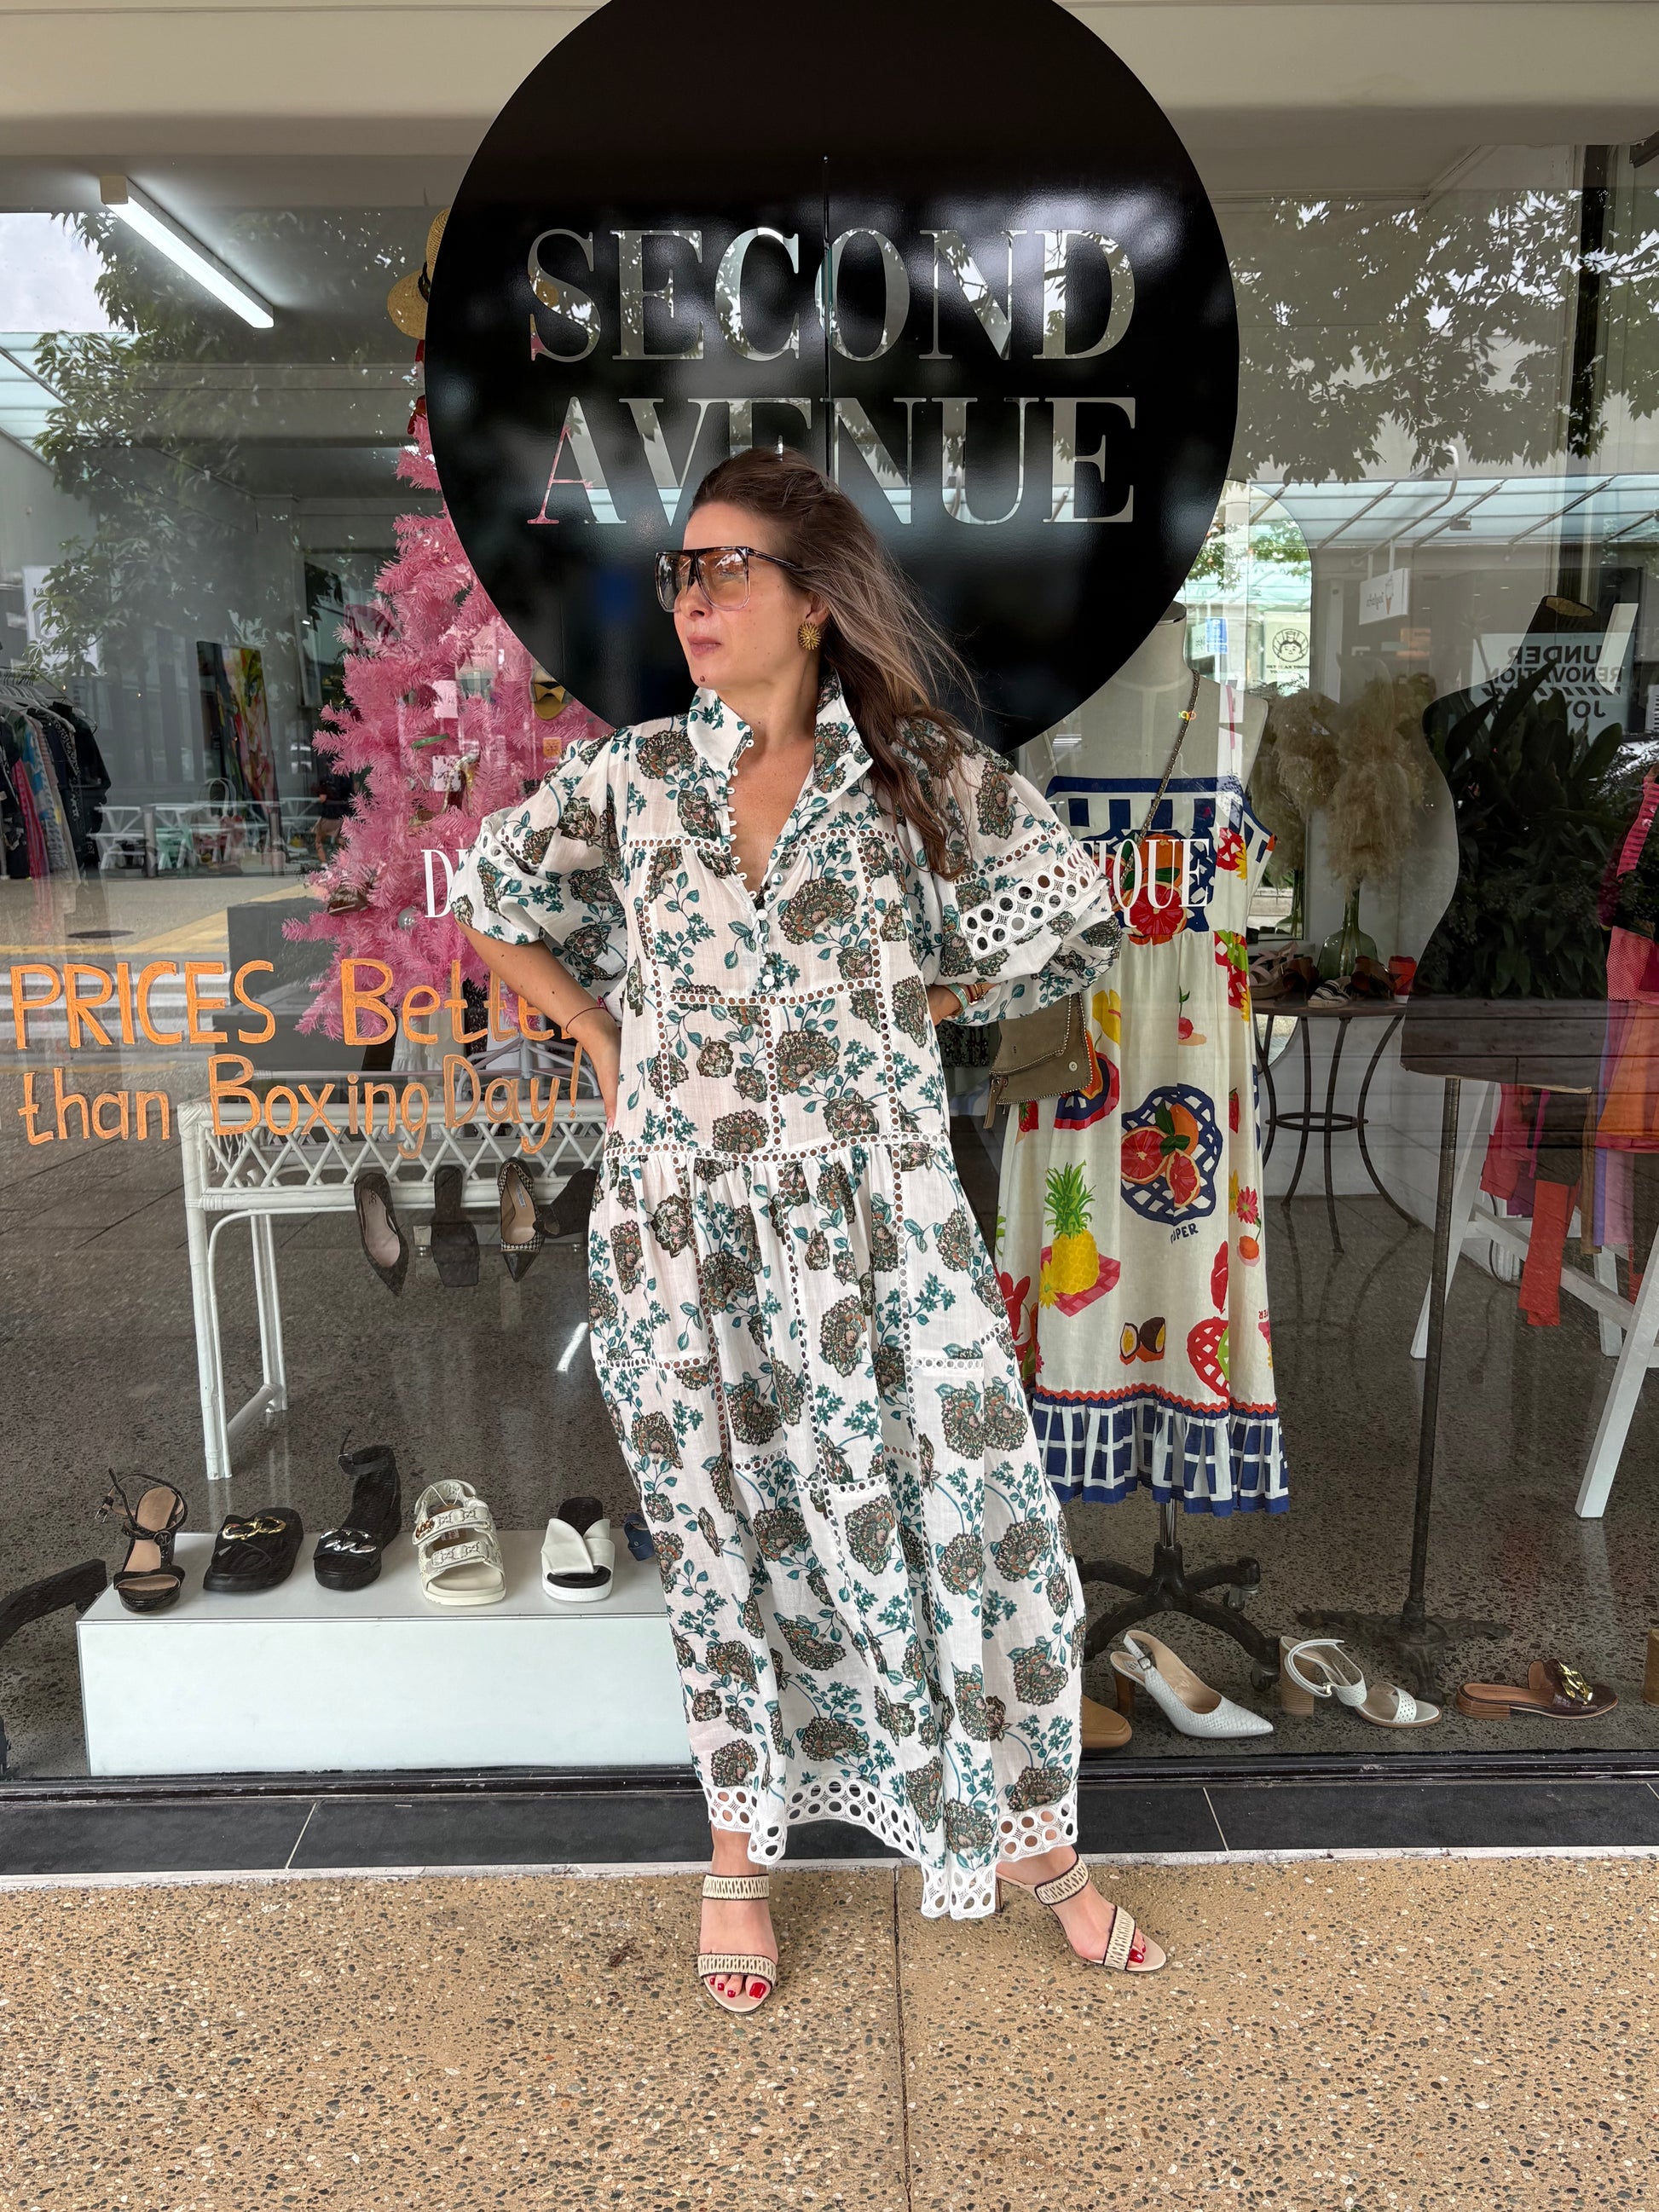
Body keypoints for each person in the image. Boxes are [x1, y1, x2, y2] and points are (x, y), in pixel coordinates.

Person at [452, 447, 1166, 2012]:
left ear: (816, 599)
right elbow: (490, 897)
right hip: (682, 1228)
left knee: (970, 1516)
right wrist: (602, 1039)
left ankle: (1032, 1843)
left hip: (884, 1228)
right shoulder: (634, 778)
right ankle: (737, 1856)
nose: (692, 599)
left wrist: (916, 1001)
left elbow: (1073, 920)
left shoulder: (917, 772)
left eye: (727, 569)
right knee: (724, 1532)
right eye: (681, 572)